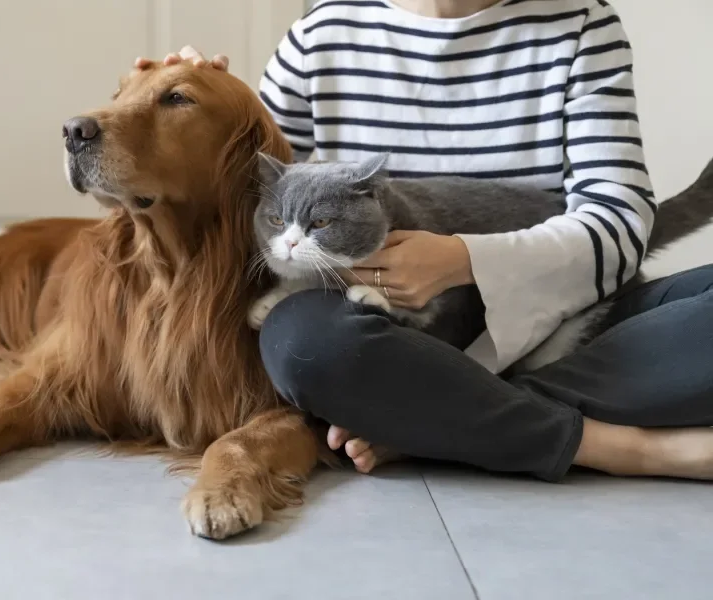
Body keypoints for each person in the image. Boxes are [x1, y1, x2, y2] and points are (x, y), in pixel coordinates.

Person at [136, 0, 713, 481]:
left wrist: (465, 259)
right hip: (379, 335)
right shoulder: (322, 34)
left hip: (565, 318)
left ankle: (434, 419)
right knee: (304, 343)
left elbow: (618, 222)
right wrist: (190, 101)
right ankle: (618, 447)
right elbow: (250, 185)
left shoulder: (582, 24)